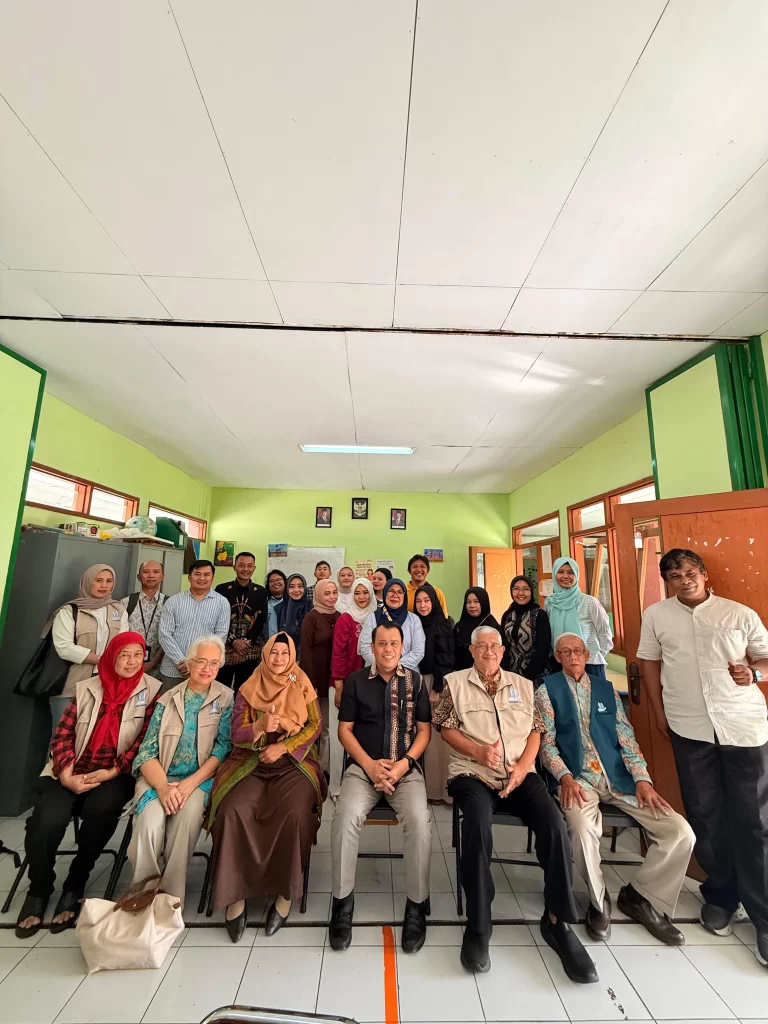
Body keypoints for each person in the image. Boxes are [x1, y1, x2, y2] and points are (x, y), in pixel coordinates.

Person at [433, 625, 596, 983]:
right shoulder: (454, 683)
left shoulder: (524, 685)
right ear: (472, 651)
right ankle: (479, 924)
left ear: (503, 651)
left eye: (495, 646)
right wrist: (478, 752)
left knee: (555, 826)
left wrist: (523, 767)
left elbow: (537, 730)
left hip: (520, 773)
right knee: (476, 827)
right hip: (473, 773)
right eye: (482, 646)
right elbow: (444, 728)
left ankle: (558, 920)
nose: (489, 651)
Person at [637, 548, 768, 964]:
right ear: (667, 582)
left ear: (704, 574)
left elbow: (765, 656)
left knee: (755, 821)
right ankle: (722, 896)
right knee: (705, 815)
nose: (685, 580)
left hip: (743, 728)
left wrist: (756, 673)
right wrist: (659, 714)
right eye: (675, 576)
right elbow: (649, 663)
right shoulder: (657, 616)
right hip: (689, 726)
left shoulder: (738, 613)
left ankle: (764, 915)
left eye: (690, 572)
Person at [536, 633, 695, 944]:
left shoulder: (606, 690)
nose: (573, 657)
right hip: (577, 781)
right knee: (582, 831)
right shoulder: (546, 690)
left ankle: (640, 895)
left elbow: (626, 739)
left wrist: (643, 780)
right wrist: (564, 777)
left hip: (619, 779)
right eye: (565, 652)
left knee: (680, 832)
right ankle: (599, 901)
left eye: (578, 651)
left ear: (587, 655)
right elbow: (547, 745)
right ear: (557, 657)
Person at [15, 633, 159, 939]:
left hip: (115, 774)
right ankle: (39, 888)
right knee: (45, 822)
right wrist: (66, 772)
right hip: (69, 769)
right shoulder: (89, 687)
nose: (132, 662)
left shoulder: (152, 692)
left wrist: (110, 772)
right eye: (124, 655)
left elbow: (143, 743)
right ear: (111, 657)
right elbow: (62, 735)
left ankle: (75, 884)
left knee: (100, 813)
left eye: (138, 655)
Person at [205, 633, 326, 941]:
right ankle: (234, 895)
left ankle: (285, 895)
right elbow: (236, 733)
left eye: (285, 653)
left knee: (295, 813)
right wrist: (259, 728)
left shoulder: (302, 683)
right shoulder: (249, 687)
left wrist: (285, 746)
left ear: (292, 656)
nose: (279, 658)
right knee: (232, 810)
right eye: (274, 652)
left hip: (293, 765)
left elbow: (315, 726)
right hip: (252, 763)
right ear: (265, 654)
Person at [331, 622, 432, 953]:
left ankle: (416, 905)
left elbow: (424, 732)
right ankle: (342, 902)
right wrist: (369, 765)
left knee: (419, 821)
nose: (388, 649)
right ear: (372, 648)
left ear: (402, 648)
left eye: (394, 644)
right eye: (382, 643)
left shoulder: (416, 681)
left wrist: (403, 765)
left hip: (405, 771)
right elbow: (344, 731)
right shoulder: (357, 681)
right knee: (345, 817)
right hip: (364, 769)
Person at [128, 636, 233, 906]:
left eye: (214, 663)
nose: (207, 668)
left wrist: (189, 784)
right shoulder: (166, 698)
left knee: (186, 820)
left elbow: (223, 749)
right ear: (189, 662)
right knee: (149, 823)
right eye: (201, 661)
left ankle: (171, 898)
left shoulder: (226, 698)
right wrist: (163, 787)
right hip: (160, 778)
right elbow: (146, 752)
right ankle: (143, 893)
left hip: (200, 781)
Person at [51, 563, 129, 731]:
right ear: (87, 582)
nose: (104, 585)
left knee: (95, 735)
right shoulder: (69, 611)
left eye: (109, 581)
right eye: (98, 580)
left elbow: (122, 644)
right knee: (63, 735)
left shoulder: (119, 609)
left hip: (106, 684)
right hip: (72, 683)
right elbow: (64, 647)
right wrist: (101, 659)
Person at [330, 577, 376, 800]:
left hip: (369, 686)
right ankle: (336, 788)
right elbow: (338, 654)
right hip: (344, 685)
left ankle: (360, 786)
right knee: (339, 738)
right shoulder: (345, 619)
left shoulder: (376, 618)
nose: (361, 597)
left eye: (365, 592)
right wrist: (339, 687)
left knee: (363, 737)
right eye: (357, 593)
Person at [158, 560, 230, 693]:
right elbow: (164, 634)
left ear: (213, 578)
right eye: (197, 574)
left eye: (206, 574)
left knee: (199, 706)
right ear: (189, 577)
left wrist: (198, 664)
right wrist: (180, 661)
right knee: (168, 705)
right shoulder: (173, 601)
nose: (202, 578)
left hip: (204, 671)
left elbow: (220, 637)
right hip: (172, 670)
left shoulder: (222, 603)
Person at [414, 583, 455, 803]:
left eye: (427, 600)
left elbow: (446, 657)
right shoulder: (414, 622)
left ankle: (439, 791)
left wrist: (437, 687)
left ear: (435, 602)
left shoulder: (442, 623)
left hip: (434, 682)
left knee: (436, 738)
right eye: (418, 601)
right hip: (417, 680)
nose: (422, 605)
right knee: (419, 734)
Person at [545, 557, 612, 679]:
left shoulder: (589, 602)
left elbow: (604, 632)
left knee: (594, 692)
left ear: (577, 575)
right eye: (561, 572)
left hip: (589, 662)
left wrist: (593, 654)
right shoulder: (550, 603)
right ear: (554, 574)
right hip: (559, 663)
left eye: (571, 572)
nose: (566, 576)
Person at [300, 578, 340, 773]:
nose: (332, 597)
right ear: (318, 595)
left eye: (334, 592)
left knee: (328, 726)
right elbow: (305, 651)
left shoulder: (340, 616)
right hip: (315, 678)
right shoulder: (311, 618)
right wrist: (310, 683)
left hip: (333, 679)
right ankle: (309, 766)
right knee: (312, 724)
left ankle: (325, 769)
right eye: (327, 593)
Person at [215, 552, 268, 691]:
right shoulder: (222, 589)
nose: (246, 569)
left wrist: (243, 645)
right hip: (225, 650)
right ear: (234, 567)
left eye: (250, 566)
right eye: (242, 565)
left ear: (254, 568)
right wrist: (233, 642)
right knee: (220, 691)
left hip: (249, 653)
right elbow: (218, 619)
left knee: (244, 693)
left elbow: (261, 620)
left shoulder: (261, 591)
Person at [360, 578, 425, 670]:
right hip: (377, 672)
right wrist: (383, 666)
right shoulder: (372, 618)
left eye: (400, 592)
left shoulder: (414, 620)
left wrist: (396, 667)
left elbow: (418, 651)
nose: (395, 595)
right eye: (391, 591)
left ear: (404, 596)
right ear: (385, 593)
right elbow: (365, 647)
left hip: (407, 671)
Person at [500, 575, 552, 684]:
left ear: (531, 591)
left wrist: (529, 674)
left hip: (535, 676)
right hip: (510, 676)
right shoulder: (507, 615)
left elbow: (543, 647)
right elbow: (504, 644)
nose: (521, 593)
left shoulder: (539, 615)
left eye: (525, 589)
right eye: (516, 589)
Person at [120, 560, 166, 677]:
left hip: (160, 668)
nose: (151, 575)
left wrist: (153, 663)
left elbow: (170, 636)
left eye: (156, 572)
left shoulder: (169, 604)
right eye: (146, 572)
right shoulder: (125, 603)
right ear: (138, 577)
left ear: (162, 577)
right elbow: (120, 637)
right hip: (129, 665)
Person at [453, 587, 501, 671]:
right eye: (468, 602)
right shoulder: (459, 626)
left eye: (476, 601)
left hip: (485, 673)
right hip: (460, 674)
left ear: (483, 603)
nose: (472, 605)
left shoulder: (492, 627)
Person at [278, 573, 311, 656]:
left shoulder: (311, 608)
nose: (296, 590)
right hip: (285, 654)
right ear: (287, 589)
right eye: (292, 587)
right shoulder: (280, 609)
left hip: (308, 654)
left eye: (300, 586)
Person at [263, 569, 287, 641]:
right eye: (272, 581)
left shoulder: (291, 602)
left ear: (285, 582)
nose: (276, 583)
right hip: (268, 643)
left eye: (278, 579)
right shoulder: (264, 604)